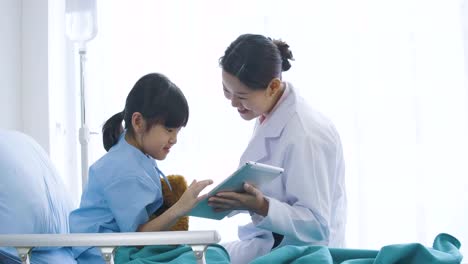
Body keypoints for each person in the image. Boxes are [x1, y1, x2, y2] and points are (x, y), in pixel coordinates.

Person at [207, 34, 347, 264]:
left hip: (300, 253)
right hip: (269, 243)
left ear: (273, 86)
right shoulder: (269, 111)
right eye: (227, 91)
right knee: (197, 254)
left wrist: (260, 205)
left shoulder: (306, 135)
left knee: (200, 257)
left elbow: (317, 225)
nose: (233, 103)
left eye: (241, 96)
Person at [69, 73, 215, 263]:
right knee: (208, 255)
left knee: (210, 253)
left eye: (178, 131)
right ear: (138, 122)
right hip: (105, 255)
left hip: (121, 248)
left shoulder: (133, 154)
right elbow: (138, 237)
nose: (174, 139)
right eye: (169, 130)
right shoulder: (123, 169)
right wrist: (179, 208)